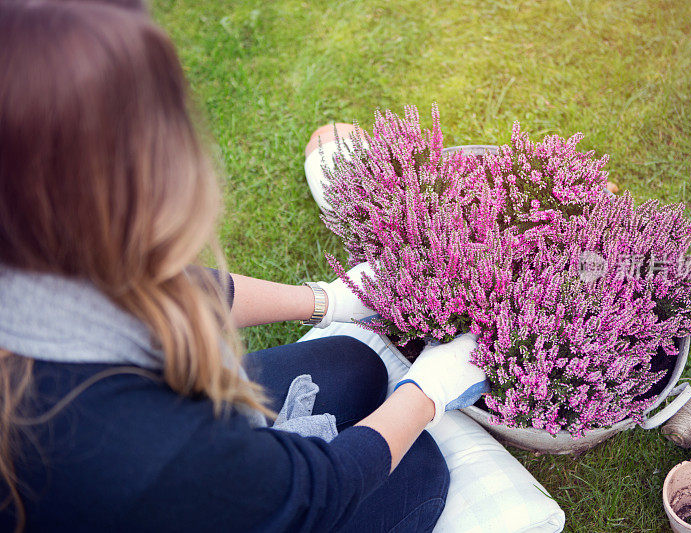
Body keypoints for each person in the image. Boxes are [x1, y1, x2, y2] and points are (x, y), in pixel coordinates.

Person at [0, 2, 487, 532]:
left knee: (358, 366)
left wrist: (329, 300)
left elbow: (149, 290)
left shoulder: (29, 247)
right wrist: (425, 395)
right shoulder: (139, 441)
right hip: (173, 493)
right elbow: (316, 494)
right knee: (418, 472)